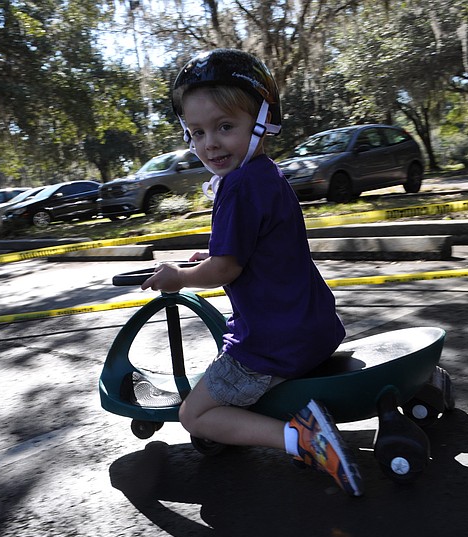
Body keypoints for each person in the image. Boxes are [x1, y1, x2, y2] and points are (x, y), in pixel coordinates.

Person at [141, 49, 363, 496]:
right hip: (313, 326)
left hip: (272, 341)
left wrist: (180, 278)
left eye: (226, 127)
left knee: (193, 414)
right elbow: (254, 247)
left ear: (262, 120)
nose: (211, 144)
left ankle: (303, 440)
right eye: (197, 132)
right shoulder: (265, 174)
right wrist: (208, 260)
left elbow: (226, 269)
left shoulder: (238, 186)